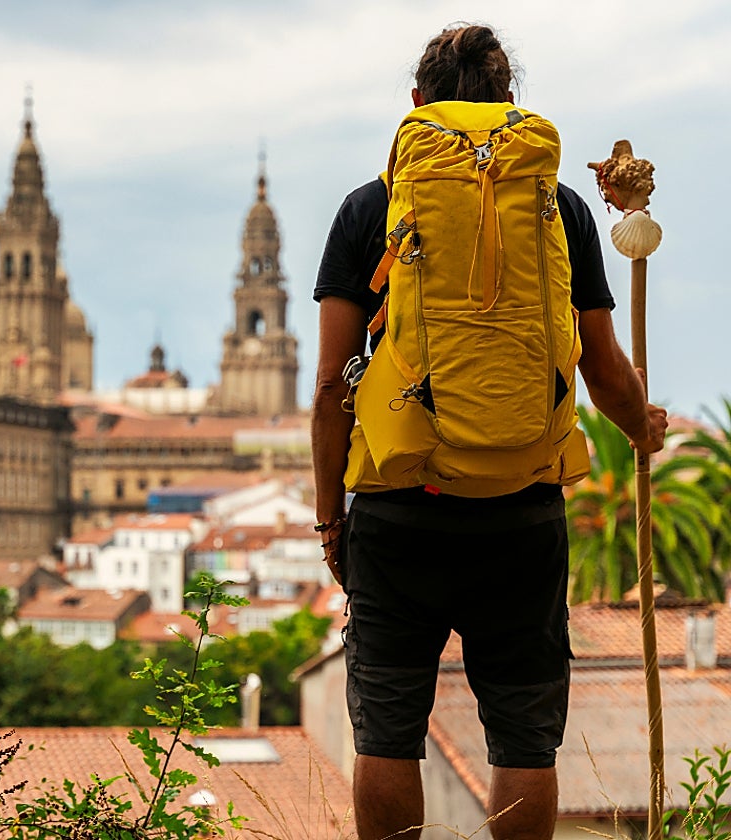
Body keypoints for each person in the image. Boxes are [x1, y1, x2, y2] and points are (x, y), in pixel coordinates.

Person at [310, 23, 669, 840]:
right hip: (522, 507)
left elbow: (333, 385)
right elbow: (603, 370)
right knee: (524, 739)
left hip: (401, 505)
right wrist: (641, 427)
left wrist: (331, 517)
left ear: (416, 105)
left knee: (390, 732)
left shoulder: (371, 209)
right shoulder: (562, 208)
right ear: (510, 104)